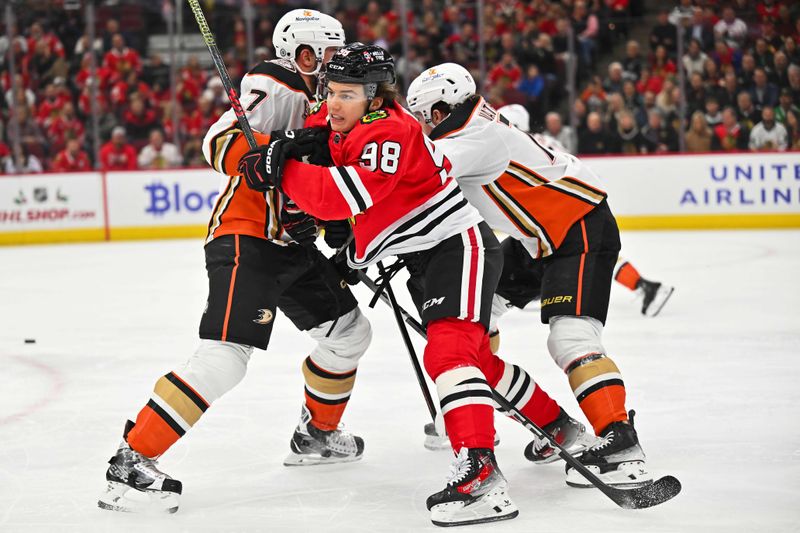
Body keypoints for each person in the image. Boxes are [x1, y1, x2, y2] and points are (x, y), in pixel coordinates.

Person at [236, 43, 596, 528]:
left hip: (457, 247)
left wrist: (285, 170)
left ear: (374, 97)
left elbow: (341, 197)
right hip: (421, 256)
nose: (333, 104)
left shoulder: (391, 131)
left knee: (449, 357)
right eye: (331, 92)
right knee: (478, 363)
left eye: (346, 95)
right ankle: (560, 428)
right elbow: (320, 135)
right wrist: (290, 145)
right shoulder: (351, 118)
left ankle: (481, 474)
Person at [97, 9, 367, 515]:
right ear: (301, 55)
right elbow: (218, 142)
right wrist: (269, 149)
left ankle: (317, 436)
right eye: (325, 54)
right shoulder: (278, 82)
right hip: (246, 237)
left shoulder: (323, 101)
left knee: (349, 332)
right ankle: (132, 460)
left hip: (289, 245)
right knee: (226, 355)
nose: (334, 63)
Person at [407, 62, 656, 491]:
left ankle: (619, 441)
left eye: (424, 116)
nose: (421, 126)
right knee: (470, 325)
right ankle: (552, 424)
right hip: (537, 239)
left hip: (577, 228)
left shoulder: (474, 135)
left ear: (444, 107)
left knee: (570, 338)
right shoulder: (472, 125)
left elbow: (419, 174)